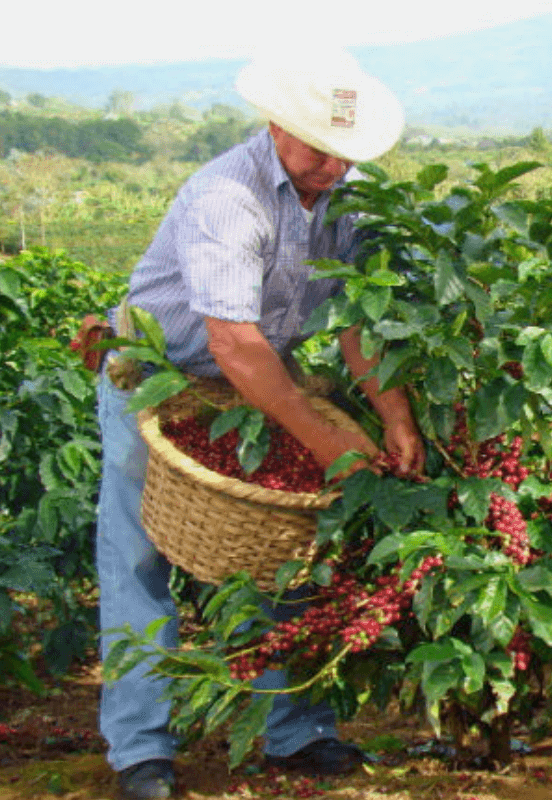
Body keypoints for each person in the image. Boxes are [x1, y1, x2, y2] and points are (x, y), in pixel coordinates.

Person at [95, 50, 424, 800]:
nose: (333, 168)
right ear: (276, 126)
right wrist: (334, 442)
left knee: (287, 550)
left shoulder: (350, 194)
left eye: (346, 155)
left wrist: (393, 414)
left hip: (257, 392)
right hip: (157, 384)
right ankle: (141, 750)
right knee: (138, 562)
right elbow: (233, 344)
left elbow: (357, 316)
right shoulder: (225, 197)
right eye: (318, 150)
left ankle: (299, 733)